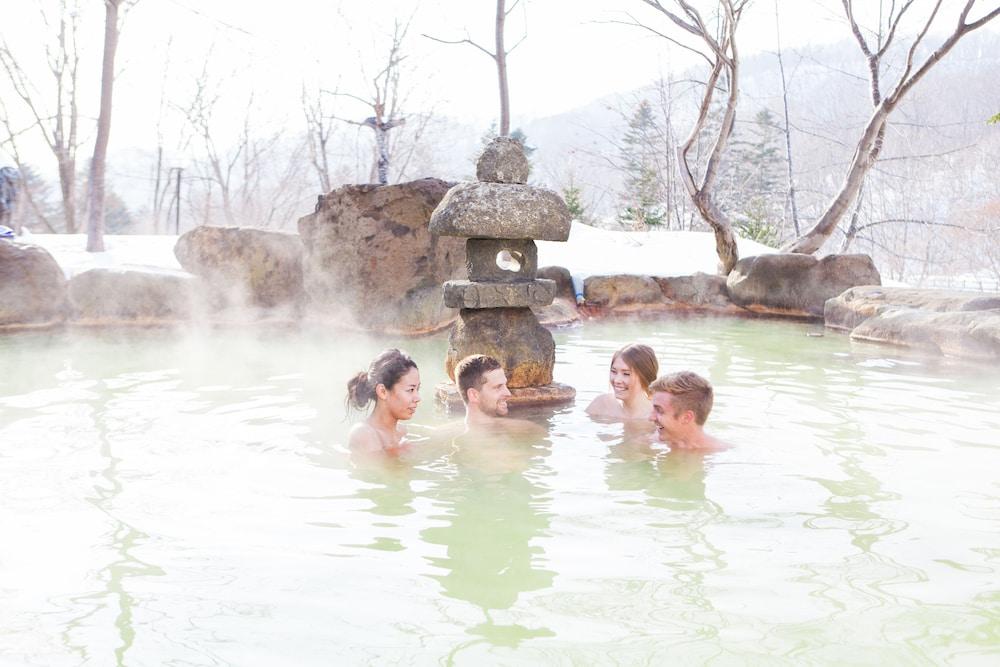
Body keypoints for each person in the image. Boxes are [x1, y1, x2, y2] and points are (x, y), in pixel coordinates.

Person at [346, 348, 421, 453]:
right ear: (383, 392)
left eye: (418, 389)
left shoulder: (401, 431)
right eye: (410, 390)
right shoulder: (363, 433)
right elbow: (374, 468)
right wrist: (399, 451)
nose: (418, 398)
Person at [454, 354, 544, 436]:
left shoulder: (528, 430)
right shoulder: (446, 438)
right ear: (474, 395)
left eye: (505, 385)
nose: (508, 393)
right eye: (498, 387)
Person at [647, 371, 727, 451]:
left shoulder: (721, 455)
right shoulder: (651, 441)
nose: (650, 417)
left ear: (686, 417)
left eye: (659, 410)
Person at [586, 343, 659, 421]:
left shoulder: (657, 417)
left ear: (645, 376)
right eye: (614, 371)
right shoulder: (602, 404)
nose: (616, 380)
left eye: (626, 374)